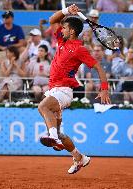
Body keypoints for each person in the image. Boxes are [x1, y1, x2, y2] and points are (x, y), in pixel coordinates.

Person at [37, 4, 111, 174]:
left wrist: (104, 89)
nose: (61, 29)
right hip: (53, 90)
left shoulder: (80, 49)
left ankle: (53, 137)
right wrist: (66, 11)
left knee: (42, 107)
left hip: (64, 91)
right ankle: (79, 157)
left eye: (64, 27)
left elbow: (99, 67)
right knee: (60, 132)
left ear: (72, 31)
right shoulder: (61, 41)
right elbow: (51, 20)